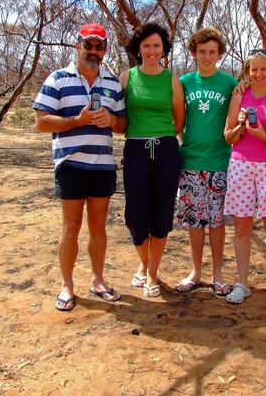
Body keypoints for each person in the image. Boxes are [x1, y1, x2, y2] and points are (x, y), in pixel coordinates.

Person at [33, 23, 127, 311]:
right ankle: (67, 286)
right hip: (70, 164)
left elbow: (123, 125)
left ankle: (98, 280)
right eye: (89, 45)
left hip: (102, 165)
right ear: (78, 46)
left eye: (99, 46)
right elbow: (41, 122)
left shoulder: (112, 82)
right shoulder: (58, 79)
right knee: (70, 227)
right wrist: (78, 120)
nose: (94, 51)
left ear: (105, 50)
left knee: (98, 227)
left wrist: (110, 120)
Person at [119, 22, 185, 298]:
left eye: (157, 45)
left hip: (166, 150)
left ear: (164, 49)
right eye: (146, 45)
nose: (151, 50)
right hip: (135, 151)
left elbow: (179, 119)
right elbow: (120, 117)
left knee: (161, 214)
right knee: (136, 216)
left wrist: (164, 136)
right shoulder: (125, 78)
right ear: (138, 49)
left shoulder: (172, 80)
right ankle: (145, 264)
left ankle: (152, 274)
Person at [223, 49, 266, 309]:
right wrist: (241, 126)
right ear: (247, 72)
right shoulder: (239, 95)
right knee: (242, 227)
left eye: (263, 69)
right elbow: (228, 136)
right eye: (253, 69)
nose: (258, 74)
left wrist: (263, 136)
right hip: (241, 164)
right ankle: (242, 283)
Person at [175, 27, 238, 296]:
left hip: (220, 161)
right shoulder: (184, 82)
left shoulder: (230, 84)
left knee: (217, 222)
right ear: (194, 53)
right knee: (194, 221)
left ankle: (218, 274)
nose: (207, 57)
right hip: (190, 160)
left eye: (212, 52)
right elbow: (177, 118)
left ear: (219, 54)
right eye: (202, 52)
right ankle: (196, 271)